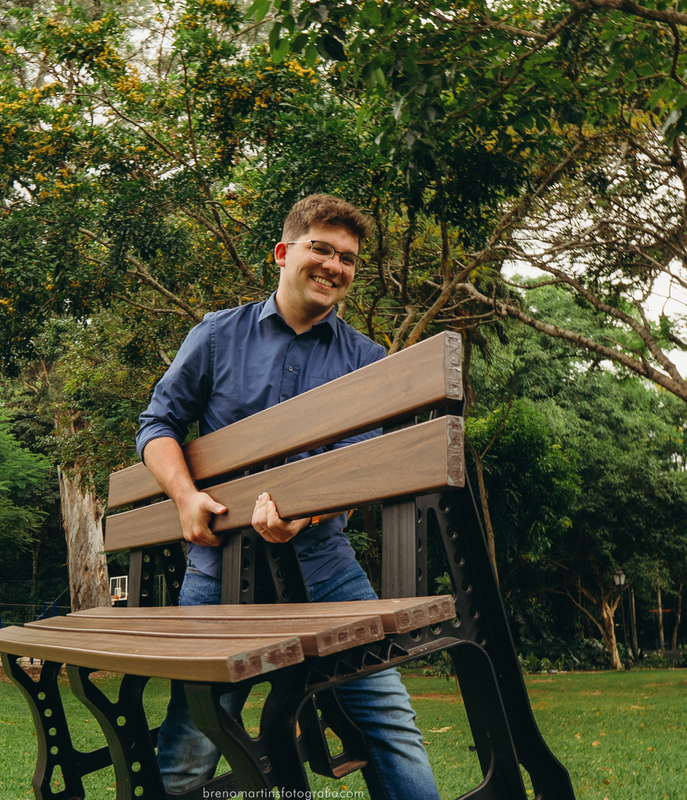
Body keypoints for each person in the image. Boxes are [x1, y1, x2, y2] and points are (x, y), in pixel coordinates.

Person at [136, 194, 439, 798]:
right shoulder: (218, 335)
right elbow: (158, 424)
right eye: (320, 249)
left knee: (390, 727)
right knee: (195, 739)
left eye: (347, 258)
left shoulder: (365, 360)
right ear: (283, 253)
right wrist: (184, 498)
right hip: (220, 571)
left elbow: (357, 462)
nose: (334, 265)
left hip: (325, 568)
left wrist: (309, 510)